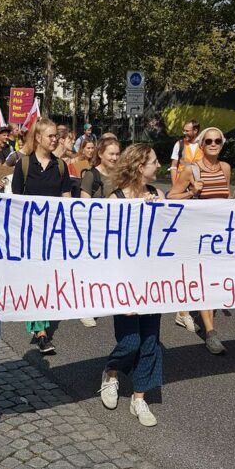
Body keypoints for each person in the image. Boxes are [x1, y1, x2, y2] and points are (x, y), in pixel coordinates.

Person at [99, 143, 165, 427]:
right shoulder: (115, 200)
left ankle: (139, 398)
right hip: (125, 282)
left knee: (150, 340)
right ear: (140, 167)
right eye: (154, 161)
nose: (159, 166)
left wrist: (157, 212)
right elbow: (106, 246)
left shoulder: (158, 195)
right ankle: (111, 372)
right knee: (130, 340)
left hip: (152, 282)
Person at [12, 117, 72, 353]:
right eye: (51, 135)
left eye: (56, 135)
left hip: (53, 233)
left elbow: (66, 198)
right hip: (30, 233)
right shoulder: (24, 164)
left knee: (47, 279)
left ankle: (41, 323)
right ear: (38, 138)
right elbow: (16, 200)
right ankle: (40, 330)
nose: (55, 139)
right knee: (34, 278)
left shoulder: (60, 166)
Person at [169, 127, 231, 353]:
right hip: (199, 234)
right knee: (206, 281)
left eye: (217, 141)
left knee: (215, 279)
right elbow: (171, 196)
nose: (213, 144)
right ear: (201, 145)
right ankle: (210, 332)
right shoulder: (190, 169)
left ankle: (184, 310)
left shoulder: (225, 168)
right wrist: (192, 192)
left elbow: (226, 197)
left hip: (220, 234)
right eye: (208, 141)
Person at [78, 136, 121, 327]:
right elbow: (83, 204)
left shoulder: (122, 176)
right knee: (92, 269)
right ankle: (86, 308)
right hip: (95, 229)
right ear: (101, 154)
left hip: (115, 229)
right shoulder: (91, 175)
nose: (114, 157)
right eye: (111, 153)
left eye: (117, 154)